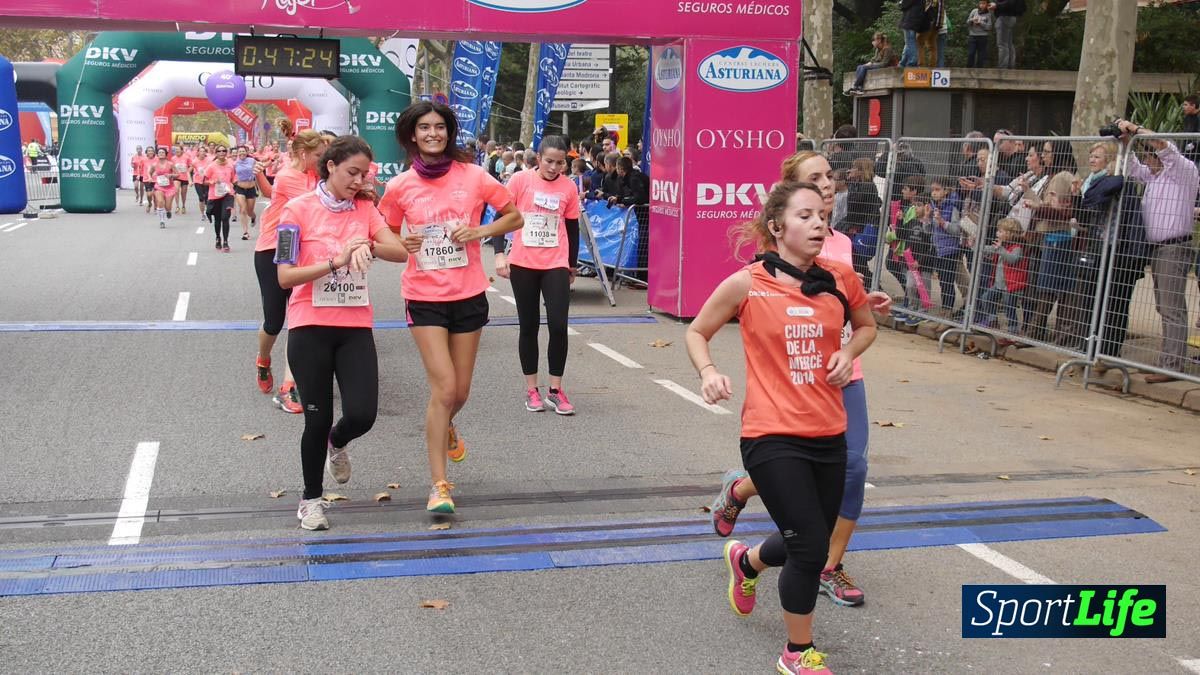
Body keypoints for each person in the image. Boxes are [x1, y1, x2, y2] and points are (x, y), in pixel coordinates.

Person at [688, 178, 876, 675]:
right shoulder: (748, 283)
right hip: (770, 435)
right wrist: (709, 372)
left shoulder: (839, 278)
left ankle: (746, 562)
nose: (818, 224)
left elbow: (868, 326)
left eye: (821, 216)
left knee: (806, 535)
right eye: (805, 216)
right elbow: (697, 330)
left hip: (829, 432)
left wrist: (847, 351)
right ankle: (797, 652)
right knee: (812, 549)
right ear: (777, 227)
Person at [378, 101, 523, 514]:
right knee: (443, 388)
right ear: (411, 135)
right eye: (424, 128)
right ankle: (439, 486)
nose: (432, 134)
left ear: (449, 133)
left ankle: (447, 425)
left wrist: (480, 229)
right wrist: (399, 245)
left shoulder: (475, 176)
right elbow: (383, 233)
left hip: (468, 293)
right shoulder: (400, 185)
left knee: (460, 391)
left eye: (439, 127)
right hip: (423, 295)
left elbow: (514, 216)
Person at [277, 135, 411, 531]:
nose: (358, 180)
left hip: (354, 326)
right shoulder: (296, 210)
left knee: (363, 413)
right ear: (330, 165)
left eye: (364, 174)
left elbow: (400, 251)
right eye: (352, 172)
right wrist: (335, 261)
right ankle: (311, 500)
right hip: (310, 324)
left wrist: (366, 242)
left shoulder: (365, 210)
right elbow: (285, 276)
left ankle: (339, 442)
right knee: (315, 420)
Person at [491, 135, 581, 415]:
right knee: (529, 325)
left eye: (560, 163)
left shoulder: (569, 187)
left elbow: (573, 227)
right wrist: (499, 253)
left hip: (555, 262)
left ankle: (556, 389)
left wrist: (572, 265)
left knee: (558, 324)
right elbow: (500, 217)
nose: (554, 167)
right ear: (538, 158)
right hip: (524, 262)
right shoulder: (520, 181)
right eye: (549, 161)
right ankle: (532, 389)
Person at [252, 120, 331, 414]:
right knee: (274, 320)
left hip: (304, 251)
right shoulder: (288, 177)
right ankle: (263, 358)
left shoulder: (315, 174)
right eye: (319, 155)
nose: (323, 161)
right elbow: (315, 205)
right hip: (273, 248)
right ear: (303, 153)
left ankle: (289, 386)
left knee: (298, 317)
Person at [1119, 119, 1200, 382]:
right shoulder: (1154, 176)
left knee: (1172, 308)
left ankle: (1172, 365)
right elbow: (1131, 168)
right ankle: (1167, 360)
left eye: (1148, 155)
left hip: (1174, 247)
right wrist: (1124, 143)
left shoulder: (1182, 169)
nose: (1146, 160)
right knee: (1164, 307)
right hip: (1158, 249)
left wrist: (1135, 128)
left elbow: (1164, 145)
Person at [976, 217, 1026, 331]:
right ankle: (993, 320)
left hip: (1010, 286)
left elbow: (1013, 259)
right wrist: (975, 246)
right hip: (999, 284)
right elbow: (989, 249)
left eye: (1000, 231)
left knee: (1009, 308)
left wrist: (1001, 250)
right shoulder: (1001, 246)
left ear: (1009, 233)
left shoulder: (1016, 247)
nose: (997, 233)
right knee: (986, 298)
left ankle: (1013, 330)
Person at [202, 145, 237, 252]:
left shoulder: (231, 165)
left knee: (225, 217)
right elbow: (204, 181)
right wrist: (212, 182)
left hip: (227, 194)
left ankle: (225, 241)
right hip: (215, 195)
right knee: (217, 219)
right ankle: (218, 238)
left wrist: (236, 185)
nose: (222, 152)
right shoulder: (211, 166)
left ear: (226, 152)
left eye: (224, 151)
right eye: (219, 151)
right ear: (216, 153)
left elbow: (234, 178)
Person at [234, 146, 259, 240]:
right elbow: (231, 174)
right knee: (243, 209)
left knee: (250, 211)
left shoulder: (252, 161)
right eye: (240, 151)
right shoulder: (235, 163)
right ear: (237, 153)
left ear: (247, 152)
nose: (241, 153)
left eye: (243, 151)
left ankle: (253, 217)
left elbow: (260, 169)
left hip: (251, 188)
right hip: (240, 188)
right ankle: (245, 232)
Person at [990, 0, 1025, 69]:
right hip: (1009, 17)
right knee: (1008, 43)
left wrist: (996, 5)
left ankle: (1002, 67)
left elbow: (1010, 2)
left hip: (1005, 17)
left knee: (1002, 44)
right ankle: (1010, 65)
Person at [150, 147, 177, 228]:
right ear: (157, 154)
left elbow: (178, 174)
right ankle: (162, 220)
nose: (161, 154)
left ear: (166, 154)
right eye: (159, 152)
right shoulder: (154, 165)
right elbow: (149, 173)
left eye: (163, 152)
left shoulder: (170, 164)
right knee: (160, 202)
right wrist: (151, 178)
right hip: (159, 186)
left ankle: (168, 211)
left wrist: (171, 175)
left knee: (168, 206)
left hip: (170, 187)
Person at [898, 0, 928, 67]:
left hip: (909, 20)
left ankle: (912, 62)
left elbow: (903, 5)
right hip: (915, 21)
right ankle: (903, 63)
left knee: (910, 42)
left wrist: (901, 3)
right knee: (908, 42)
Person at [917, 0, 946, 68]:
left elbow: (928, 7)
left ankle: (921, 65)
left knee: (919, 42)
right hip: (937, 24)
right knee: (932, 45)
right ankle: (932, 66)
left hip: (929, 22)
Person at [966, 0, 994, 68]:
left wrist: (980, 23)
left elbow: (989, 27)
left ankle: (979, 70)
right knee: (971, 53)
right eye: (980, 3)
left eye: (984, 3)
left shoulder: (989, 14)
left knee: (981, 55)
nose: (982, 5)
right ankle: (969, 69)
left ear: (987, 5)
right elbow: (967, 22)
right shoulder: (974, 11)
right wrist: (972, 20)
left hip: (983, 36)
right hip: (973, 35)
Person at [191, 145, 211, 223]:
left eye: (204, 151)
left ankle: (207, 210)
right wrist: (190, 180)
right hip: (197, 181)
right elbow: (189, 170)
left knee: (207, 197)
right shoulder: (195, 161)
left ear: (205, 153)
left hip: (207, 181)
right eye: (201, 151)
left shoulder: (209, 160)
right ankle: (202, 214)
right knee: (201, 197)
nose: (202, 153)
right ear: (198, 152)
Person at [170, 145, 190, 215]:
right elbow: (171, 167)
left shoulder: (186, 158)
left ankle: (183, 206)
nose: (177, 151)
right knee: (176, 190)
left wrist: (188, 174)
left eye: (178, 150)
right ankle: (177, 206)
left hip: (184, 178)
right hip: (176, 177)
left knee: (183, 193)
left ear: (182, 150)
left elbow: (190, 167)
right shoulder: (173, 158)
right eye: (176, 150)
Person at [140, 146, 157, 215]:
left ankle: (155, 207)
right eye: (149, 151)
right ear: (146, 152)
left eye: (152, 151)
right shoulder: (143, 160)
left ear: (154, 152)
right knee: (149, 194)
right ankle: (150, 204)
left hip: (156, 179)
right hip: (147, 179)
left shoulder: (157, 159)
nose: (150, 152)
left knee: (155, 194)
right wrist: (139, 175)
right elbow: (140, 168)